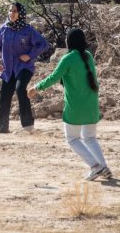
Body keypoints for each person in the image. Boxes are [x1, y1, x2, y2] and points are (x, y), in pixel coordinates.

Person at [28, 28, 112, 181]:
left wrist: (36, 88)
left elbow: (54, 77)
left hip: (76, 106)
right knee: (90, 138)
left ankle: (95, 166)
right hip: (92, 105)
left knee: (72, 139)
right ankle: (104, 167)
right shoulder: (88, 56)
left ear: (69, 42)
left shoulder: (68, 58)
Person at [0, 2, 50, 134]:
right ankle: (3, 129)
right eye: (10, 11)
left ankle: (28, 125)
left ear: (21, 14)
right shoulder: (3, 28)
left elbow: (43, 44)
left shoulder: (28, 30)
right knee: (4, 96)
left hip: (24, 67)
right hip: (8, 69)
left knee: (20, 88)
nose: (12, 13)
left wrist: (29, 55)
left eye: (15, 11)